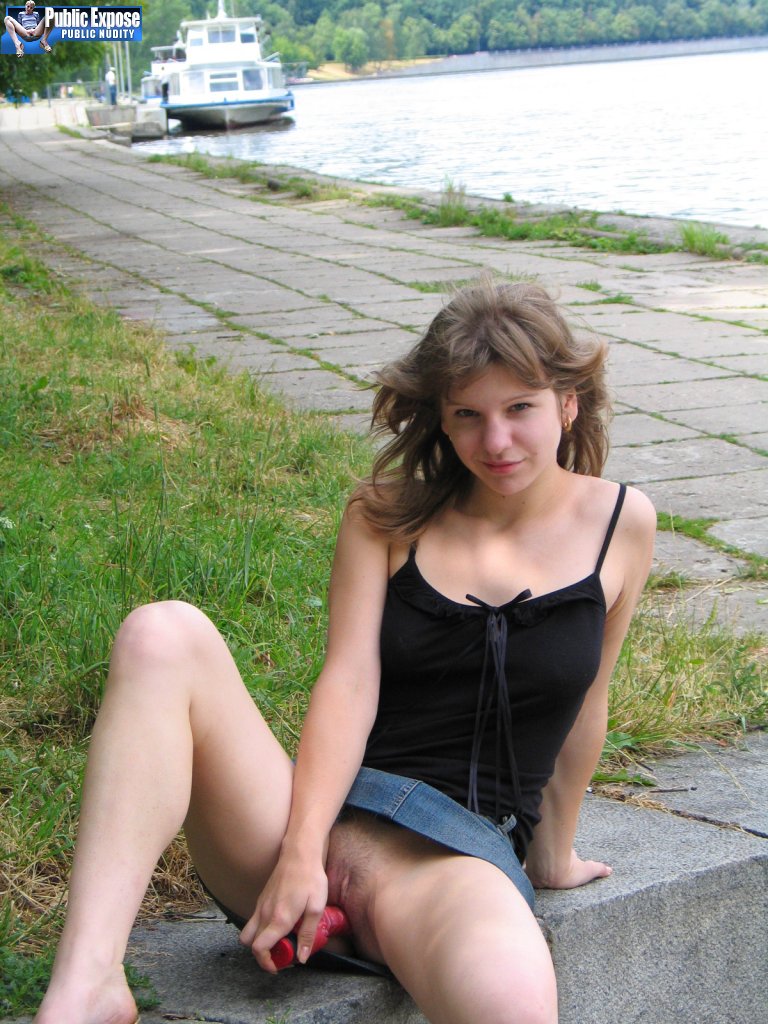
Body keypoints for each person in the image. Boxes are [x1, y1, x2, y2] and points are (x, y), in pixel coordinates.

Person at [33, 280, 656, 1024]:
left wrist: (553, 854)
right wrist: (302, 853)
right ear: (441, 418)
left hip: (453, 862)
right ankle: (88, 983)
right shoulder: (385, 515)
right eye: (468, 414)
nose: (495, 442)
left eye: (519, 408)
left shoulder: (620, 524)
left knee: (511, 1006)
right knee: (160, 633)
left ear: (567, 404)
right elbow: (348, 682)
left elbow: (588, 698)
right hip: (310, 825)